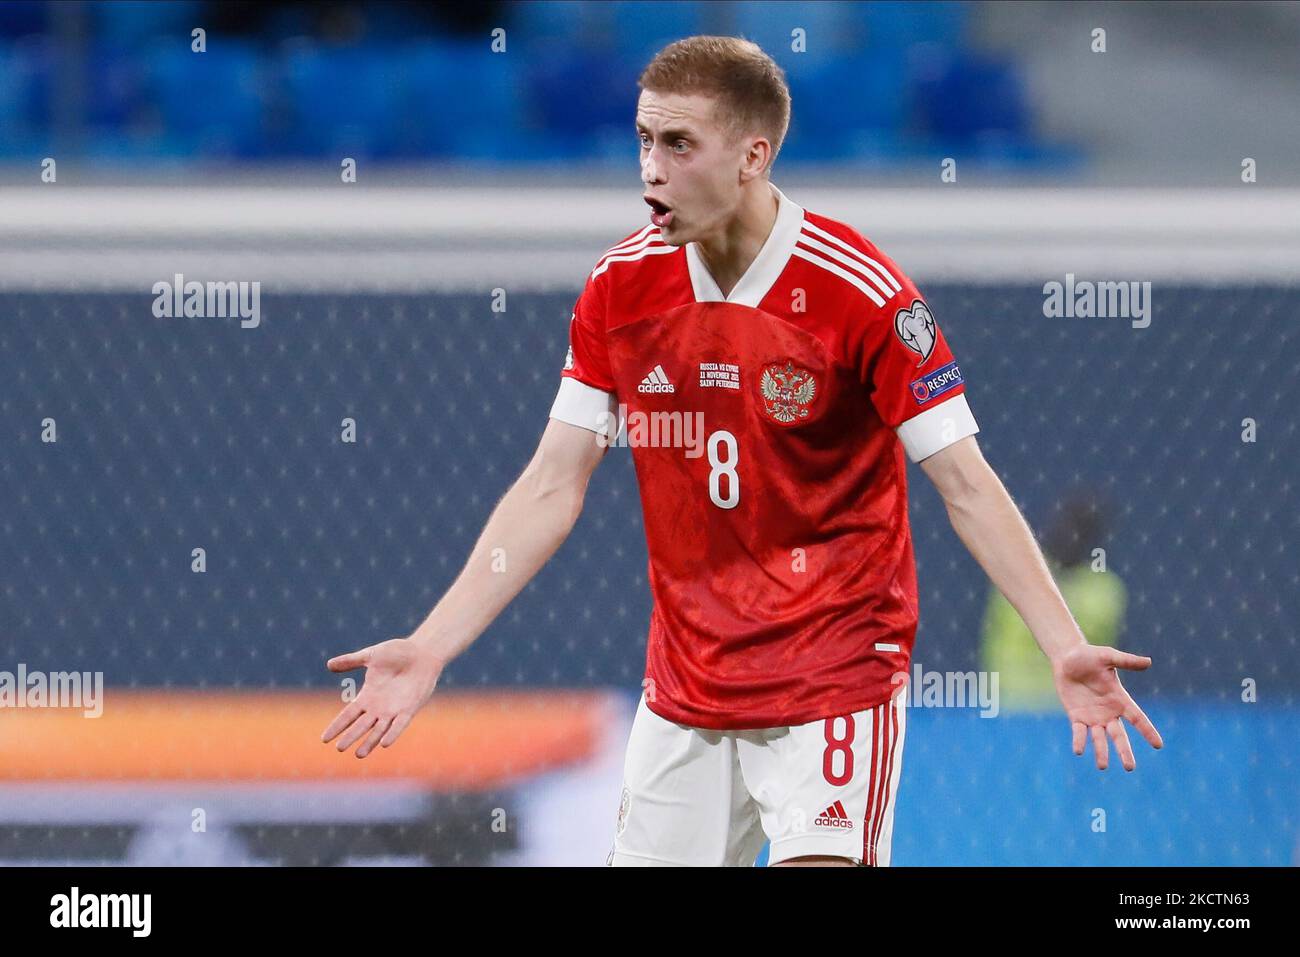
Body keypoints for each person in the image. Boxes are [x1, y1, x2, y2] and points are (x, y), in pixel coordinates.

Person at [321, 36, 1163, 867]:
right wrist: (431, 645)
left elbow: (966, 485)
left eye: (679, 143)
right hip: (687, 689)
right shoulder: (619, 288)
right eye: (645, 139)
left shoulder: (861, 293)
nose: (651, 167)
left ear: (754, 154)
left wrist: (1061, 644)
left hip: (833, 680)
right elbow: (551, 483)